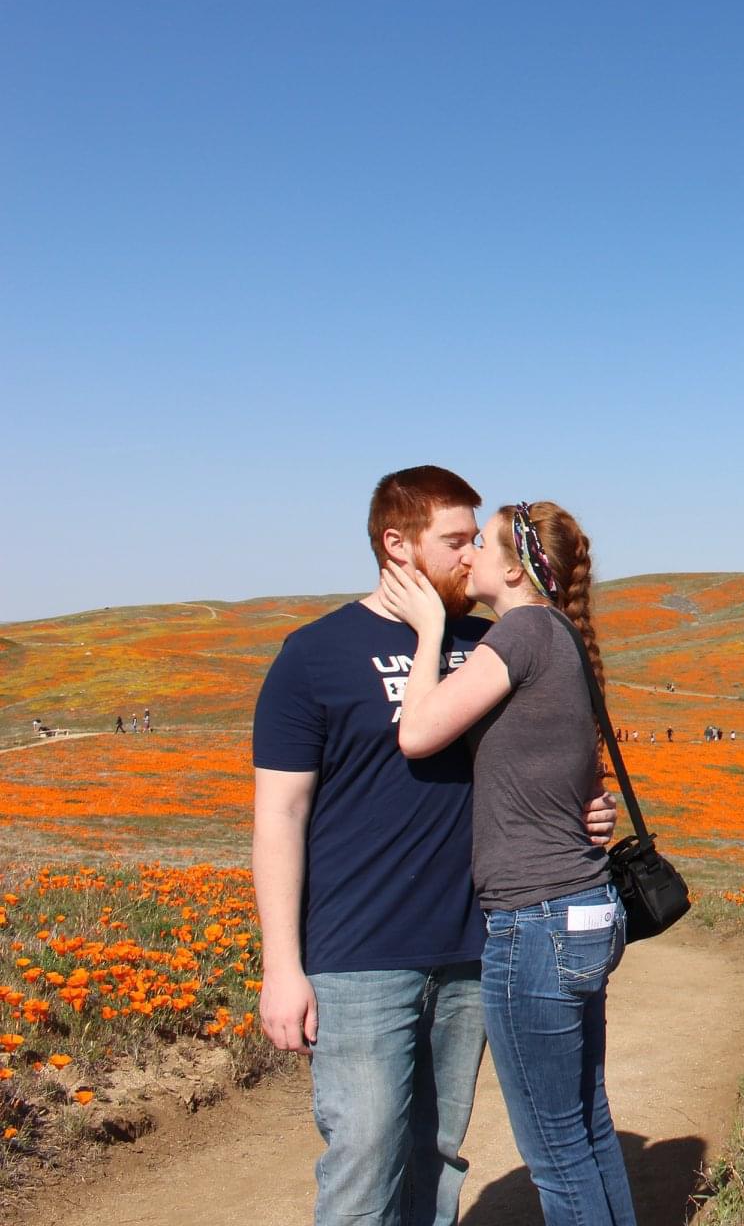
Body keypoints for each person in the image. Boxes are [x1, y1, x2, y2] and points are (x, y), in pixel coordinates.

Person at [252, 468, 616, 1226]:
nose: (464, 557)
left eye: (471, 541)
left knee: (440, 1155)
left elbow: (545, 750)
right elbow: (280, 815)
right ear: (397, 545)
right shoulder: (314, 655)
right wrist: (281, 967)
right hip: (357, 955)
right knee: (363, 1154)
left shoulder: (493, 642)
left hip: (473, 946)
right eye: (452, 541)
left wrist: (589, 808)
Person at [381, 499, 634, 1226]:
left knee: (556, 1152)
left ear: (515, 566)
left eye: (481, 545)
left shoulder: (521, 631)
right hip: (585, 909)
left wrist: (430, 628)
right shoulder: (563, 638)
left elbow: (418, 732)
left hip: (536, 922)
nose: (467, 558)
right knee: (587, 1126)